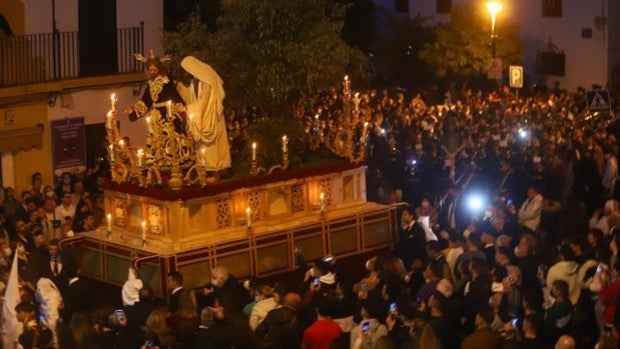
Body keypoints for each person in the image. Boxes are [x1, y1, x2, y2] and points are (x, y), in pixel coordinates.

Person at [126, 49, 188, 169]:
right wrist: (133, 111)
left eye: (154, 69)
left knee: (169, 138)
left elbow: (175, 96)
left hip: (168, 114)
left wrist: (180, 110)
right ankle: (158, 163)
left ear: (159, 69)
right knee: (155, 139)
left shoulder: (166, 81)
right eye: (150, 70)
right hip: (155, 117)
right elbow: (146, 101)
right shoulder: (150, 84)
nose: (152, 72)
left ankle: (172, 161)